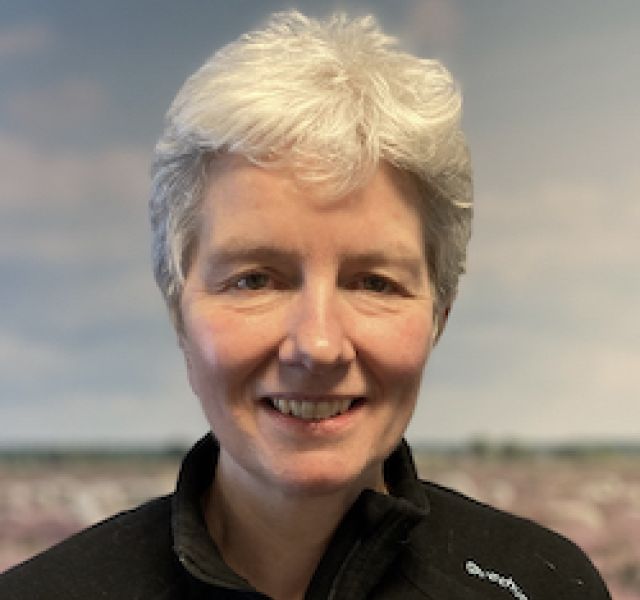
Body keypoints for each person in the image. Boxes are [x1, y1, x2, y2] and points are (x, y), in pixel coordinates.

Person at [0, 10, 611, 600]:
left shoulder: (546, 586)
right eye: (255, 280)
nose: (318, 345)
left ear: (438, 316)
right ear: (179, 314)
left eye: (373, 283)